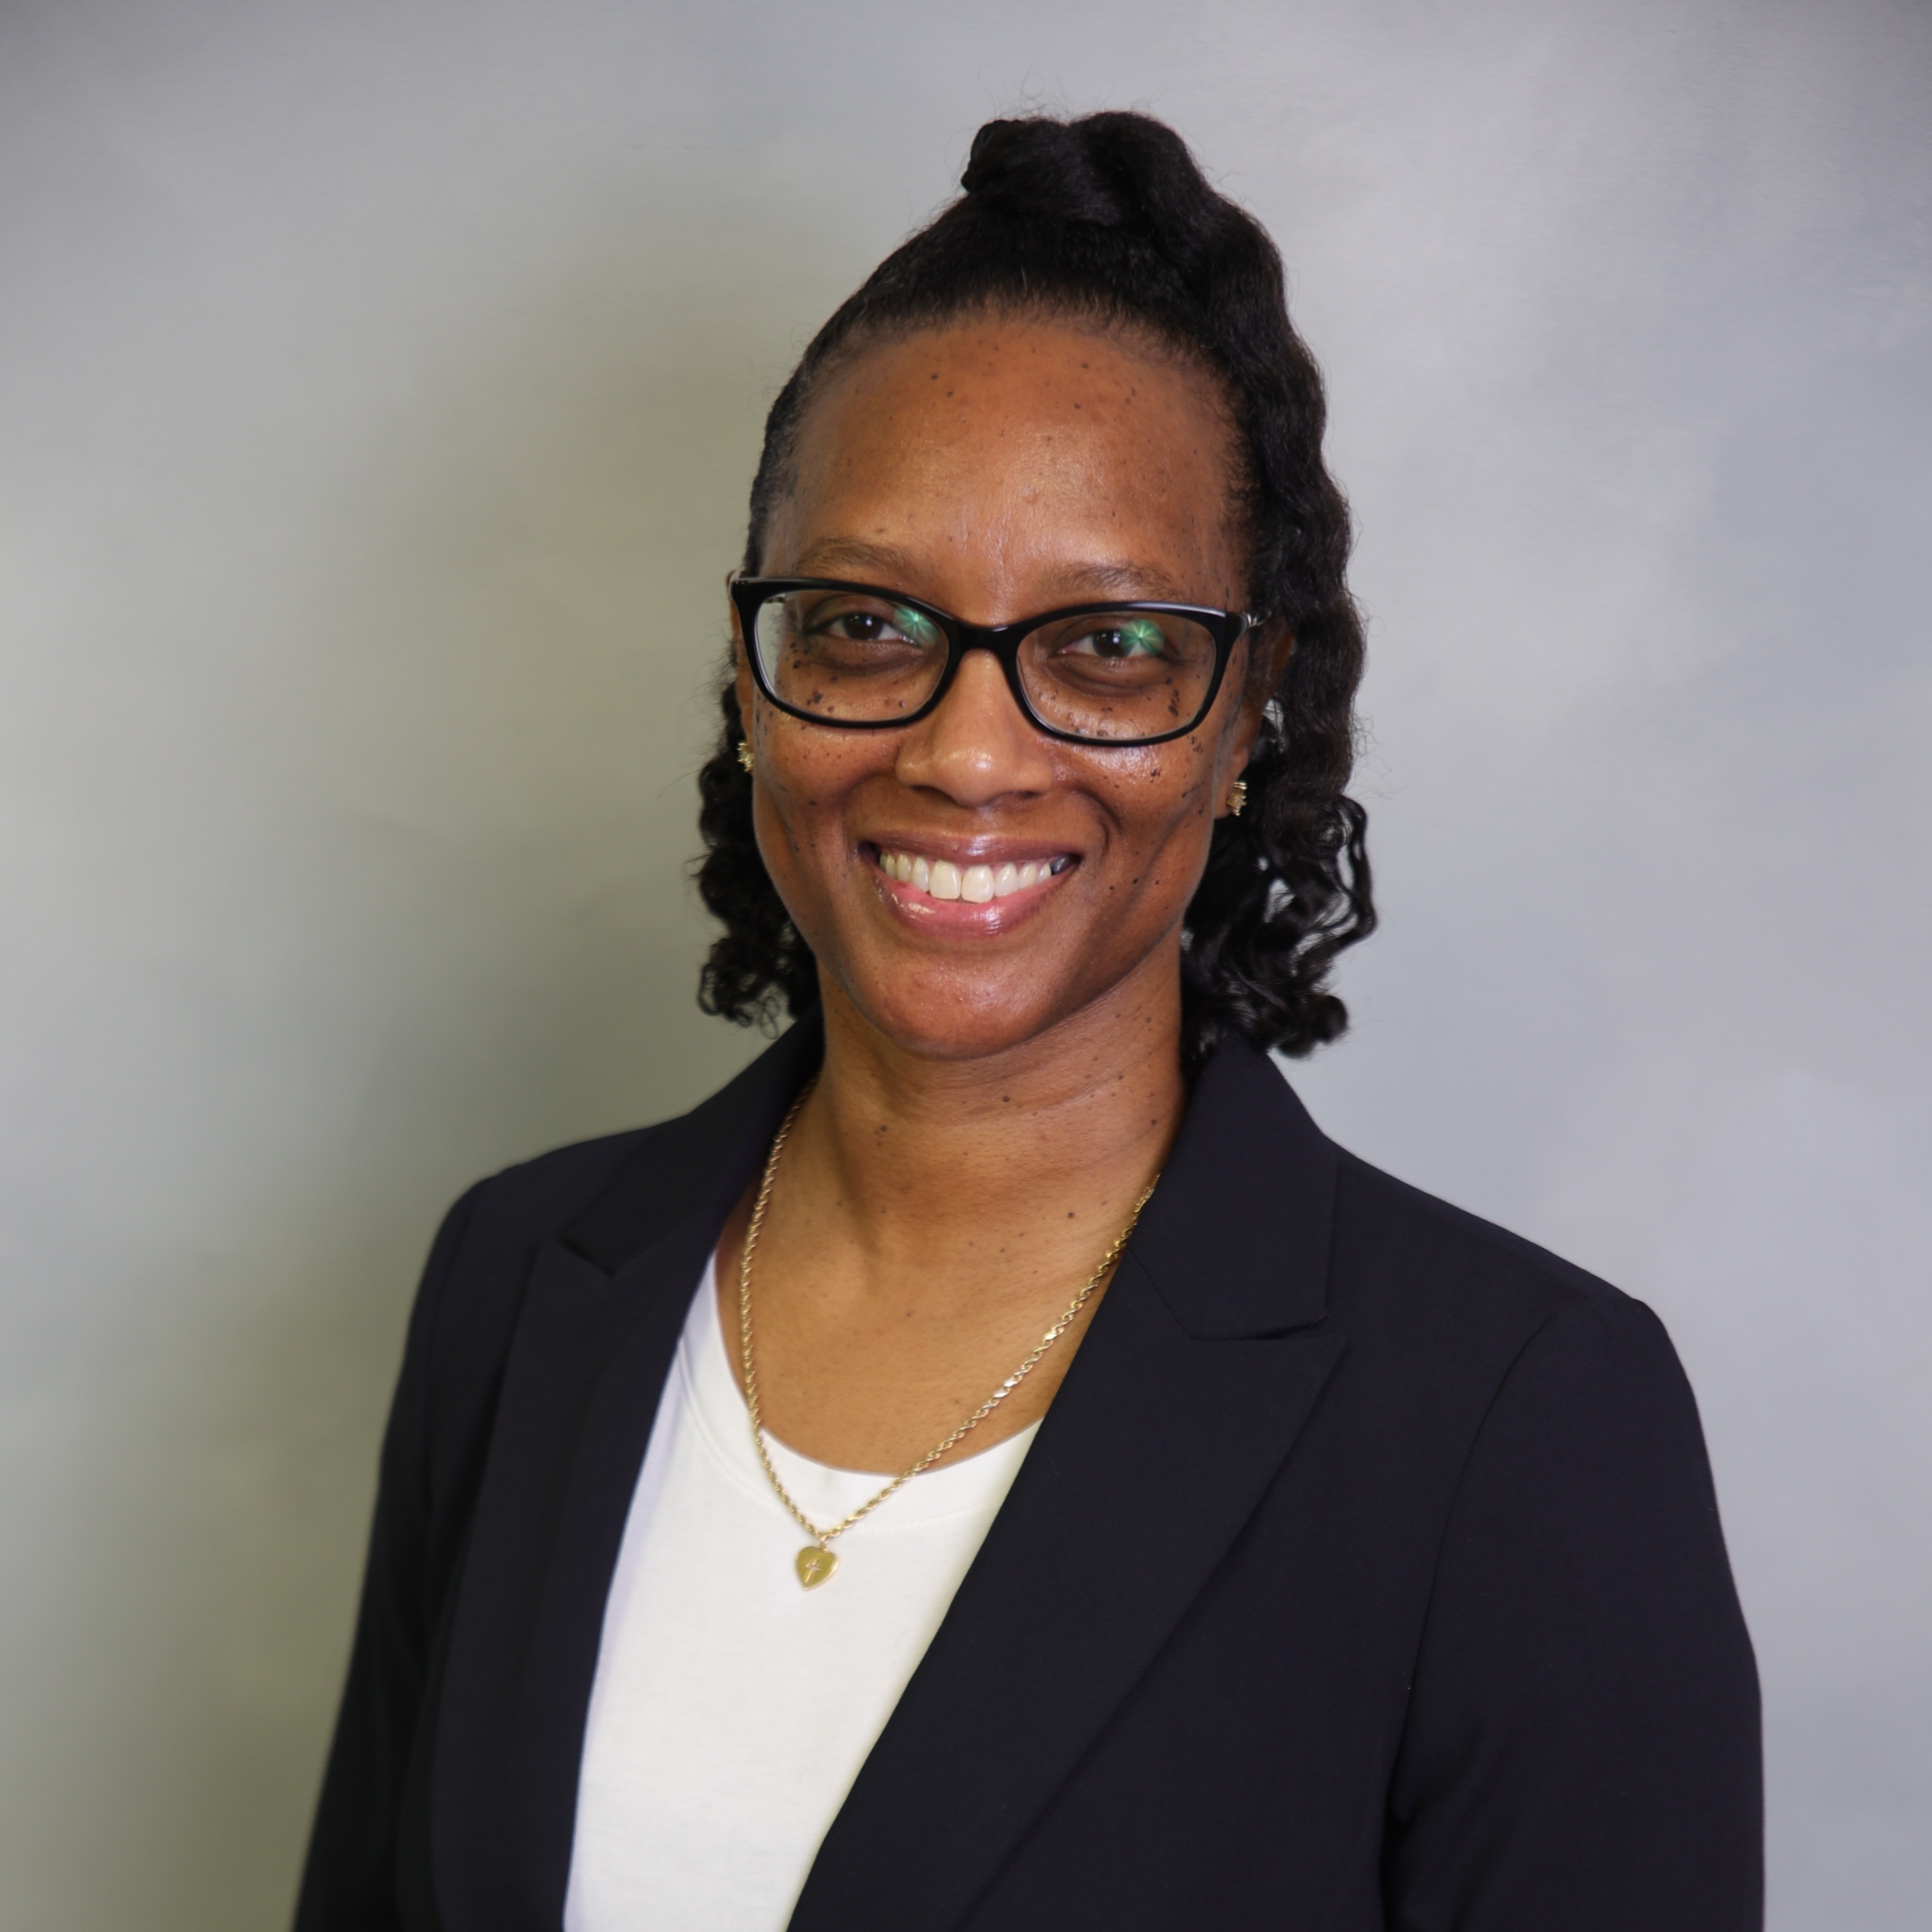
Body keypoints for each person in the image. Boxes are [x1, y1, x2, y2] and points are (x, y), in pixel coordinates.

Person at [294, 111, 1761, 1931]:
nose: (966, 749)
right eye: (863, 622)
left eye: (1111, 646)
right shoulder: (521, 1285)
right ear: (756, 675)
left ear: (1250, 714)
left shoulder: (1519, 1429)